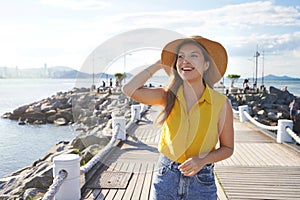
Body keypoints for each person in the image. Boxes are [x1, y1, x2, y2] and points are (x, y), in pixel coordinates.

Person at [122, 36, 234, 199]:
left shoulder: (221, 104)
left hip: (202, 180)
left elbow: (228, 148)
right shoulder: (167, 96)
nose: (185, 61)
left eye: (194, 55)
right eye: (180, 56)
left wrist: (202, 160)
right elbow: (129, 88)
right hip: (167, 175)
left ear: (206, 65)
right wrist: (159, 64)